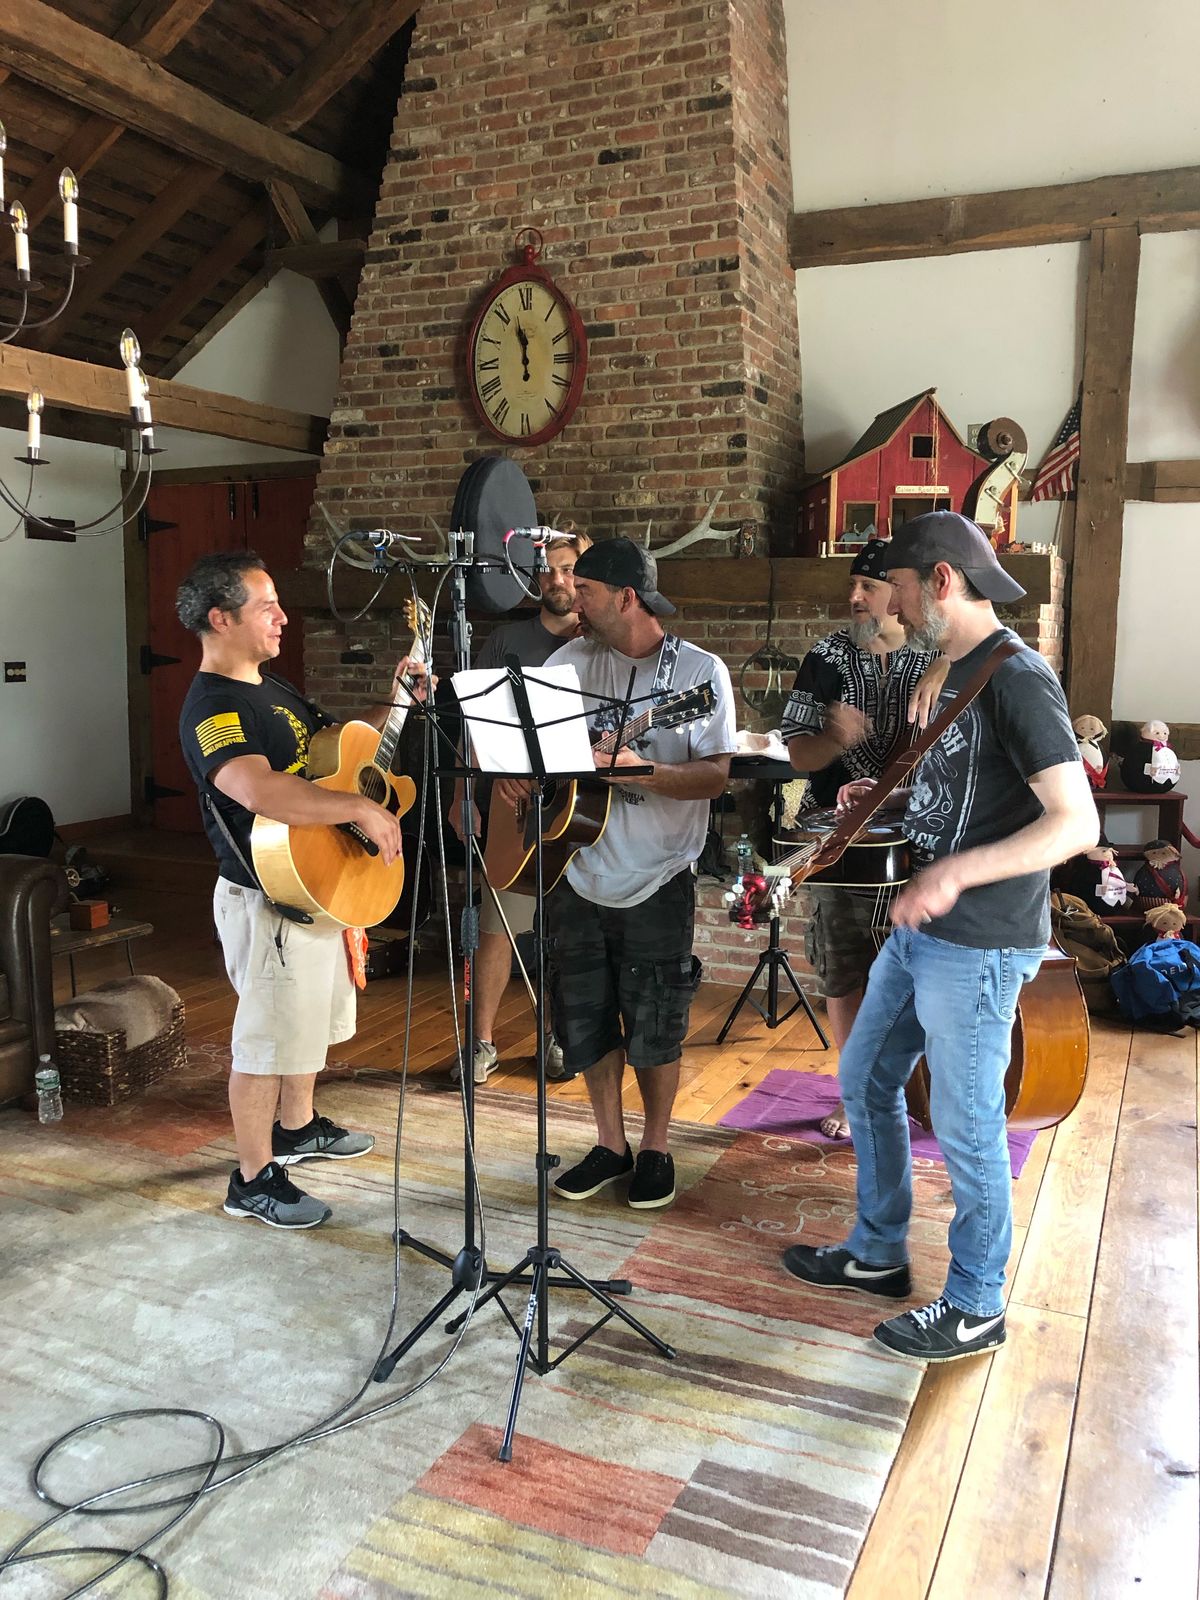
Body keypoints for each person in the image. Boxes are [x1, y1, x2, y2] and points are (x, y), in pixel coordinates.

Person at [781, 512, 1099, 1361]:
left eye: (898, 586)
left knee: (966, 1122)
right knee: (865, 1077)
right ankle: (878, 1250)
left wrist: (955, 875)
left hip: (982, 942)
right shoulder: (953, 669)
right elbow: (960, 791)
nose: (888, 602)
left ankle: (976, 1304)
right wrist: (886, 799)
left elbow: (1075, 822)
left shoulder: (1018, 679)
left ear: (942, 582)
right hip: (925, 931)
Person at [176, 551, 428, 1231]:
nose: (283, 617)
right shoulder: (213, 706)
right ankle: (252, 1178)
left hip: (315, 885)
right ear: (221, 618)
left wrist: (396, 699)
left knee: (306, 1023)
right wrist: (359, 810)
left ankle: (297, 1126)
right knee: (266, 1041)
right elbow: (259, 788)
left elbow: (335, 749)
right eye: (267, 606)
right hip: (269, 900)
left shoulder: (271, 687)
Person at [492, 537, 736, 1210]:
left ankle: (656, 1147)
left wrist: (638, 770)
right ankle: (610, 1142)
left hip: (657, 875)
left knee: (656, 1021)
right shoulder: (568, 660)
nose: (573, 600)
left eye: (587, 590)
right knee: (584, 1016)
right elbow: (531, 744)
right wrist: (515, 771)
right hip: (572, 863)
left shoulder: (698, 674)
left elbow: (714, 777)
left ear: (627, 597)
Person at [782, 540, 947, 1138]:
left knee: (917, 968)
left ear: (898, 595)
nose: (854, 597)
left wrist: (944, 666)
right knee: (843, 966)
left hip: (919, 839)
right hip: (840, 842)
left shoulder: (939, 655)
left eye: (869, 587)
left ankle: (917, 1091)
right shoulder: (825, 658)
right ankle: (855, 1094)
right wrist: (833, 739)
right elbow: (797, 757)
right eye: (852, 585)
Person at [448, 530, 591, 1083]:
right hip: (511, 811)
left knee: (567, 935)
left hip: (577, 814)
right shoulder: (506, 639)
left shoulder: (601, 644)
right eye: (546, 569)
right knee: (496, 928)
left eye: (568, 568)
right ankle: (481, 1043)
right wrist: (465, 796)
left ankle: (556, 1037)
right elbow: (473, 726)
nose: (556, 579)